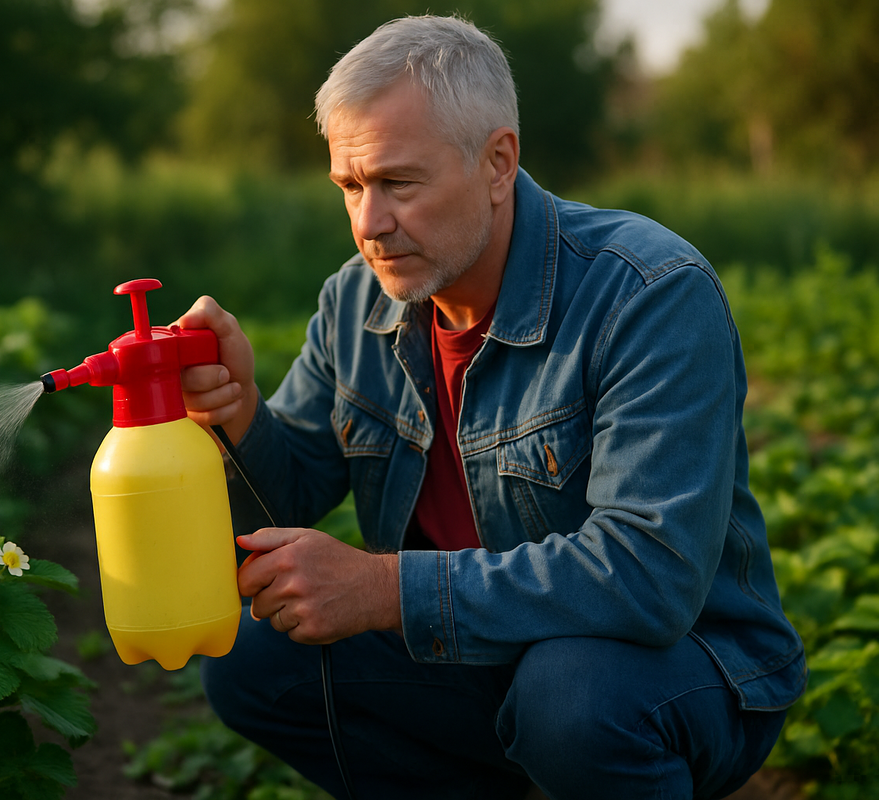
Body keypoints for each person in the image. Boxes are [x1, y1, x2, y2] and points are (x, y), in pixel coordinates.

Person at [175, 14, 805, 800]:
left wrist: (383, 589)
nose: (369, 224)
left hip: (678, 668)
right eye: (350, 186)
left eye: (398, 183)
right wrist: (235, 414)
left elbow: (653, 578)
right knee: (254, 660)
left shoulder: (647, 293)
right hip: (475, 657)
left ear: (498, 162)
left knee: (570, 695)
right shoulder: (354, 301)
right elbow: (295, 486)